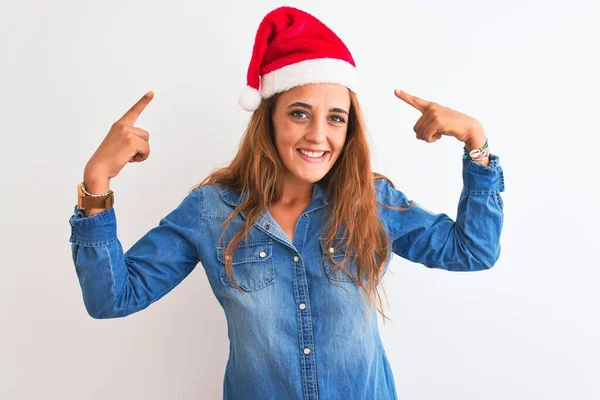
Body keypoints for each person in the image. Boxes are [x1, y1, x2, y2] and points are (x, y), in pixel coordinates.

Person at [68, 6, 505, 400]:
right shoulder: (211, 211)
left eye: (336, 117)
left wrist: (477, 145)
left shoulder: (369, 200)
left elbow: (473, 252)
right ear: (269, 118)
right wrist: (96, 184)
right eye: (299, 113)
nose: (318, 135)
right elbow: (112, 299)